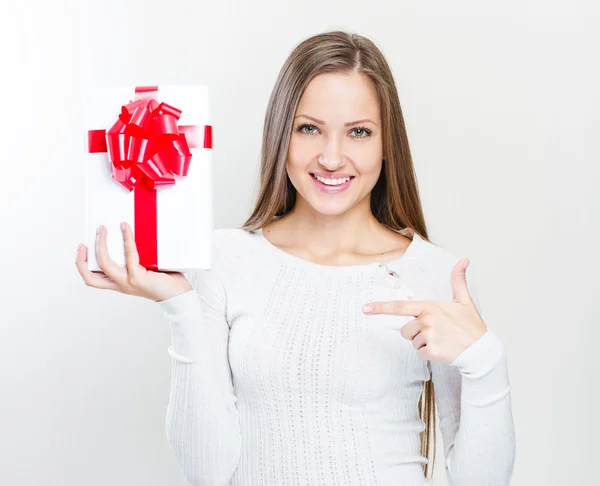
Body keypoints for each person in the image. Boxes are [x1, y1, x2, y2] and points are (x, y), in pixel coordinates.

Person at [75, 30, 516, 486]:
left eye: (359, 132)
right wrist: (180, 307)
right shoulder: (222, 260)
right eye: (309, 128)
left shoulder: (437, 276)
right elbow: (206, 472)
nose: (331, 157)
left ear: (387, 145)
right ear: (280, 133)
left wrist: (485, 360)